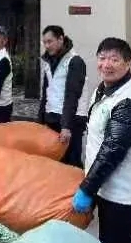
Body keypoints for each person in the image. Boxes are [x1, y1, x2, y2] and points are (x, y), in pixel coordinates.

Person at [71, 37, 131, 243]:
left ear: (128, 64)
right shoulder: (106, 90)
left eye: (114, 59)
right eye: (102, 58)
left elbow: (112, 151)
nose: (106, 64)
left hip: (123, 195)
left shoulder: (130, 102)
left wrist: (87, 189)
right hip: (108, 189)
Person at [38, 25, 93, 168]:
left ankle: (76, 189)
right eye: (44, 42)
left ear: (61, 39)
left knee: (71, 161)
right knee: (55, 160)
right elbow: (46, 93)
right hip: (53, 116)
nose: (47, 45)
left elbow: (72, 95)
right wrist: (41, 120)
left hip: (72, 120)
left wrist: (66, 126)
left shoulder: (75, 61)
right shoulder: (49, 62)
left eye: (50, 41)